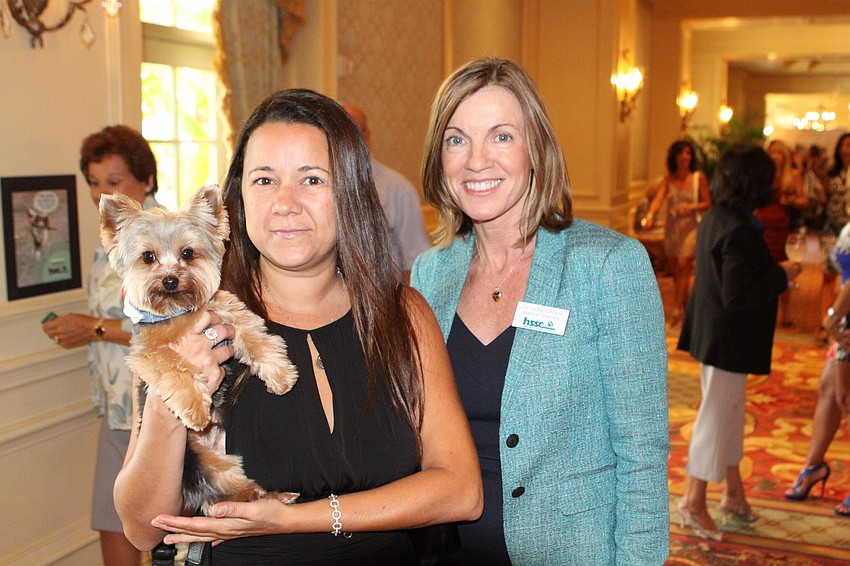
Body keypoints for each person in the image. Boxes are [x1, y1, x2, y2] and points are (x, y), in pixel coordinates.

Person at [112, 89, 483, 564]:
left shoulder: (402, 316)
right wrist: (171, 400)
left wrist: (292, 518)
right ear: (239, 199)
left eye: (311, 179)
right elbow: (144, 529)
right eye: (264, 180)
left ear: (348, 190)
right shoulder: (192, 322)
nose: (285, 203)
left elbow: (461, 491)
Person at [411, 57, 670, 564]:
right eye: (456, 139)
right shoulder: (429, 274)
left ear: (536, 149)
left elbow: (643, 455)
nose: (476, 161)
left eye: (501, 136)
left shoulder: (608, 266)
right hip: (444, 550)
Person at [41, 125, 159, 566]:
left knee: (165, 531)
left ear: (145, 180)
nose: (99, 193)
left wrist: (92, 328)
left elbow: (173, 326)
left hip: (159, 407)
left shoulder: (162, 238)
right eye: (93, 182)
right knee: (110, 523)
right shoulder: (110, 236)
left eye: (112, 181)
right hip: (117, 408)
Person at [677, 144, 801, 541]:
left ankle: (733, 493)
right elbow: (738, 294)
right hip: (728, 338)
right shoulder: (741, 229)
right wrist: (782, 274)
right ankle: (693, 502)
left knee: (728, 415)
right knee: (715, 417)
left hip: (716, 334)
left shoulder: (719, 215)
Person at [784, 220, 850, 517]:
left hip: (845, 316)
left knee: (845, 396)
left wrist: (835, 314)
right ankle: (813, 466)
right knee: (829, 389)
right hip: (846, 318)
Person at [340, 102, 432, 280]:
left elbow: (414, 264)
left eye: (350, 133)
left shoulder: (398, 189)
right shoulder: (316, 187)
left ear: (366, 137)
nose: (342, 142)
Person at [643, 139, 711, 326]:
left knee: (684, 264)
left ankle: (677, 308)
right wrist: (649, 215)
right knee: (674, 267)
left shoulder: (698, 178)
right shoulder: (668, 180)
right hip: (673, 230)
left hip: (690, 229)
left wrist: (689, 207)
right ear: (674, 157)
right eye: (681, 153)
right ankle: (684, 300)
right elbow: (658, 199)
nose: (684, 157)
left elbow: (707, 203)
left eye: (688, 153)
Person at [755, 139, 807, 327]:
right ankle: (763, 307)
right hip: (763, 225)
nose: (776, 156)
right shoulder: (763, 176)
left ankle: (784, 314)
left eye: (780, 152)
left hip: (782, 227)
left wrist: (791, 200)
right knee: (764, 267)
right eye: (773, 152)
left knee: (785, 268)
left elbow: (804, 201)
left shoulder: (792, 176)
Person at [818, 134, 850, 344]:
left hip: (847, 229)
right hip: (833, 228)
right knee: (829, 276)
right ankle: (826, 323)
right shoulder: (831, 173)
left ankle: (837, 320)